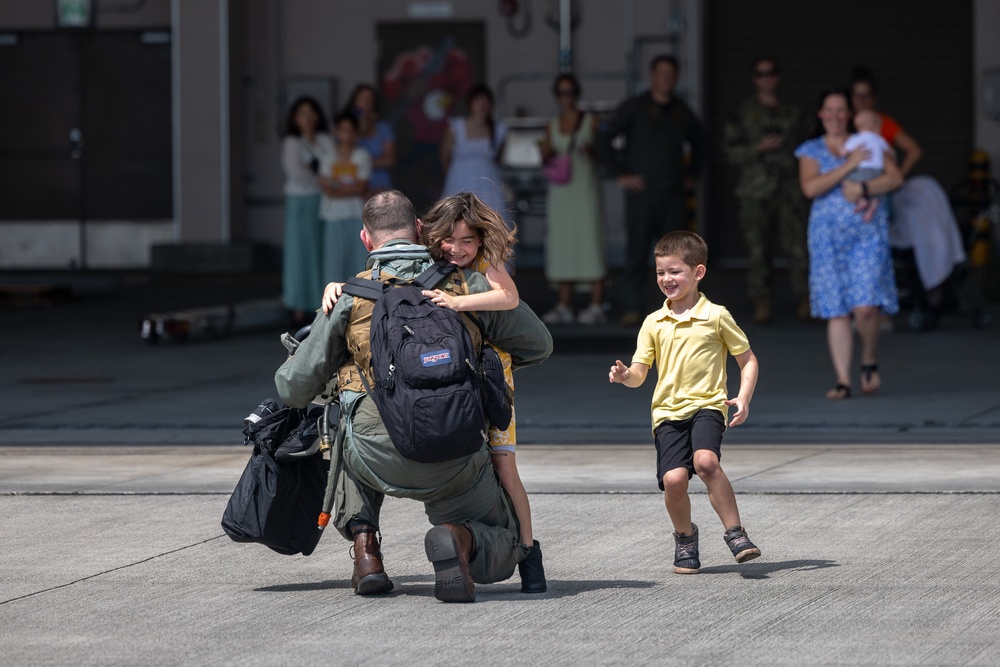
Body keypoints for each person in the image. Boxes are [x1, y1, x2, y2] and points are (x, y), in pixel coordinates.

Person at [276, 190, 553, 603]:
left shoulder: (349, 295)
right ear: (421, 231)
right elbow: (539, 345)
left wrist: (344, 371)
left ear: (365, 240)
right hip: (454, 449)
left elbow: (292, 389)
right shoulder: (467, 284)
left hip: (375, 455)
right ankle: (458, 538)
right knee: (501, 545)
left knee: (353, 417)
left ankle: (365, 548)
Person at [608, 231, 761, 575]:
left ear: (698, 272)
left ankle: (735, 533)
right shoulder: (653, 322)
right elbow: (639, 374)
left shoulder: (717, 316)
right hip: (666, 412)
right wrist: (624, 376)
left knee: (706, 461)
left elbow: (747, 359)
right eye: (661, 272)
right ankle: (685, 538)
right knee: (675, 480)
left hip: (708, 404)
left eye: (675, 272)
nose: (666, 279)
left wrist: (744, 397)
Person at [794, 89, 903, 400]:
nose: (835, 116)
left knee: (865, 307)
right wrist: (848, 166)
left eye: (841, 110)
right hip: (827, 237)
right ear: (820, 114)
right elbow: (810, 187)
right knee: (837, 310)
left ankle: (869, 357)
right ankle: (843, 380)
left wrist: (865, 186)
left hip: (867, 233)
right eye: (829, 110)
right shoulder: (810, 149)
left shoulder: (868, 140)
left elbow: (894, 178)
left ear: (850, 115)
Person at [600, 54, 708, 327]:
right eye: (661, 73)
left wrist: (691, 175)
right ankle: (633, 307)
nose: (666, 78)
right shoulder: (635, 107)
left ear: (676, 77)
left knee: (678, 256)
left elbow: (702, 143)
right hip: (642, 195)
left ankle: (681, 307)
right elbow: (604, 137)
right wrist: (620, 174)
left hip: (673, 195)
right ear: (652, 76)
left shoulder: (681, 111)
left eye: (671, 74)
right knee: (637, 252)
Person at [722, 56, 810, 324]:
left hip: (789, 191)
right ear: (754, 79)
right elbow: (729, 152)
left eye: (771, 73)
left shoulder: (793, 113)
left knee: (798, 247)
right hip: (755, 192)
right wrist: (757, 148)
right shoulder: (743, 113)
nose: (766, 78)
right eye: (760, 74)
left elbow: (810, 148)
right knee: (758, 250)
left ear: (777, 76)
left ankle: (806, 300)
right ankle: (762, 302)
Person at [537, 73, 607, 326]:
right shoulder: (551, 124)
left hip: (585, 190)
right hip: (561, 194)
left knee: (590, 242)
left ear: (577, 94)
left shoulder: (591, 121)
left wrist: (593, 151)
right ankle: (564, 304)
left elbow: (607, 153)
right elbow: (546, 157)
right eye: (561, 93)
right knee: (562, 245)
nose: (566, 97)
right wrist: (545, 153)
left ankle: (596, 304)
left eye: (570, 92)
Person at [280, 96, 333, 327]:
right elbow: (297, 173)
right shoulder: (292, 143)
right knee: (300, 251)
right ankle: (298, 304)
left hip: (324, 199)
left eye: (312, 112)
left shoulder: (324, 139)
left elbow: (335, 164)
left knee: (319, 250)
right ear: (294, 118)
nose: (308, 117)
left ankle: (316, 301)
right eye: (302, 113)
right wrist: (326, 181)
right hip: (301, 201)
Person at [440, 84, 510, 225]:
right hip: (459, 183)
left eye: (486, 101)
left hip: (488, 185)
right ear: (470, 103)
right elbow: (444, 158)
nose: (482, 105)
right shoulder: (455, 128)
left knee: (490, 224)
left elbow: (499, 159)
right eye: (478, 100)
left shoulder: (498, 130)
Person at [319, 111, 371, 284]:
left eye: (350, 130)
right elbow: (327, 188)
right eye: (343, 130)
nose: (347, 134)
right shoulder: (328, 156)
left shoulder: (362, 155)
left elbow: (361, 186)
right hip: (332, 215)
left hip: (356, 213)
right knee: (333, 262)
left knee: (358, 261)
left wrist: (336, 184)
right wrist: (349, 186)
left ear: (356, 133)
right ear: (336, 132)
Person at [849, 67, 923, 179]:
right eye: (857, 95)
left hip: (880, 183)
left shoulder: (884, 122)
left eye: (866, 96)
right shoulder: (844, 121)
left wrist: (898, 176)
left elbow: (915, 151)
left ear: (874, 98)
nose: (861, 100)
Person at [342, 83, 396, 194]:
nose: (366, 103)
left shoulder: (383, 128)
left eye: (369, 99)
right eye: (362, 99)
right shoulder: (344, 128)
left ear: (374, 104)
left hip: (379, 185)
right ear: (354, 102)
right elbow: (342, 156)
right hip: (352, 185)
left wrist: (360, 162)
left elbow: (389, 160)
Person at [840, 109, 892, 222]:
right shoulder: (879, 139)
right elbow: (889, 152)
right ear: (874, 127)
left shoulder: (856, 138)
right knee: (876, 192)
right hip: (878, 171)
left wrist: (843, 152)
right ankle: (872, 209)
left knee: (846, 179)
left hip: (862, 170)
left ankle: (862, 200)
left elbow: (844, 151)